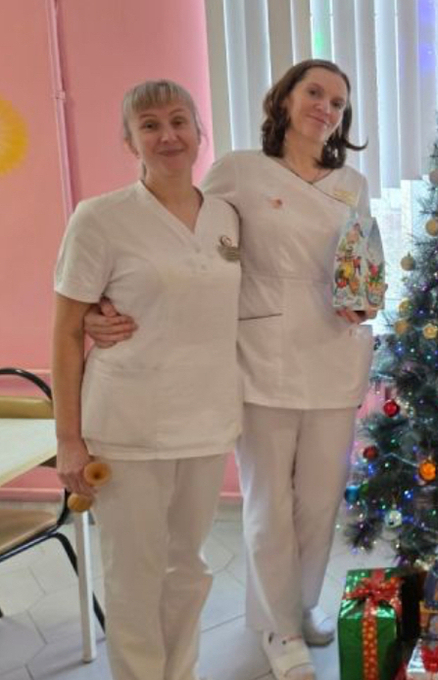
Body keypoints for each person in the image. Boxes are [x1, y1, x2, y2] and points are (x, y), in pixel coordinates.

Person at [84, 60, 379, 680]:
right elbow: (178, 237)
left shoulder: (353, 183)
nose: (325, 107)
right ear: (285, 100)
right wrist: (97, 309)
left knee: (320, 501)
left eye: (337, 101)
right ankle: (277, 628)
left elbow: (364, 259)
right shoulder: (240, 170)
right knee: (269, 503)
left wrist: (369, 297)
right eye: (314, 92)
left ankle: (301, 603)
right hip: (259, 358)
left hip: (335, 353)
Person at [52, 80, 241, 680]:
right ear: (129, 140)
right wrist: (69, 440)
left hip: (207, 421)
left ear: (199, 132)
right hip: (128, 427)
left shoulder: (225, 217)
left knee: (188, 568)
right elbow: (66, 332)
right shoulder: (101, 219)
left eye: (179, 121)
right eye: (150, 125)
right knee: (135, 576)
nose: (168, 136)